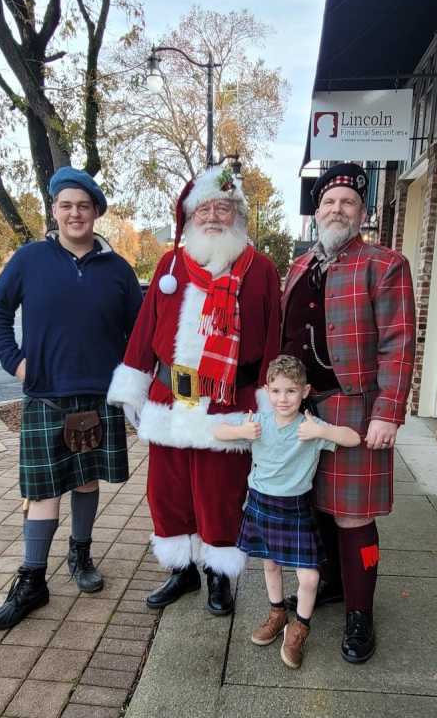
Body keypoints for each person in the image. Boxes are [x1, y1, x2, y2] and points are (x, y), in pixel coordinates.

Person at [107, 165, 281, 616]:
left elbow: (274, 337)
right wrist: (134, 383)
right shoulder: (169, 265)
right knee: (168, 491)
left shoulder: (259, 270)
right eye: (204, 208)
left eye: (223, 208)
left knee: (220, 494)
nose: (213, 216)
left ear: (237, 216)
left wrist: (266, 400)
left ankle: (218, 575)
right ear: (189, 217)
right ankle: (180, 571)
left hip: (229, 402)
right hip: (171, 399)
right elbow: (146, 329)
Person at [0, 167, 143, 630]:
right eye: (66, 205)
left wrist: (135, 381)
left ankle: (81, 554)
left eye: (84, 205)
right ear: (54, 211)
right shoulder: (30, 259)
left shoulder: (117, 270)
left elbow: (139, 332)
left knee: (86, 481)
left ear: (96, 212)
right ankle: (33, 579)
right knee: (41, 491)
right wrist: (14, 362)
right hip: (45, 396)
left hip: (97, 397)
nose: (75, 213)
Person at [282, 162, 416, 663]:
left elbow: (399, 344)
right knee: (312, 506)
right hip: (300, 411)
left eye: (348, 202)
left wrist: (389, 412)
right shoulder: (299, 266)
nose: (337, 209)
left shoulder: (385, 264)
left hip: (355, 411)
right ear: (317, 210)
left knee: (353, 517)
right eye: (329, 201)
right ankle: (334, 587)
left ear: (363, 212)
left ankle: (361, 611)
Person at [213, 355, 360, 669]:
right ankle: (278, 614)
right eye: (277, 391)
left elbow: (353, 438)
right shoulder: (259, 422)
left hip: (294, 508)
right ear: (267, 391)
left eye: (291, 391)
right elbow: (218, 431)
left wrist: (323, 434)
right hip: (261, 503)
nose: (283, 398)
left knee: (309, 577)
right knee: (270, 565)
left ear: (305, 391)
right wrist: (242, 433)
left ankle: (299, 629)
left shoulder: (310, 425)